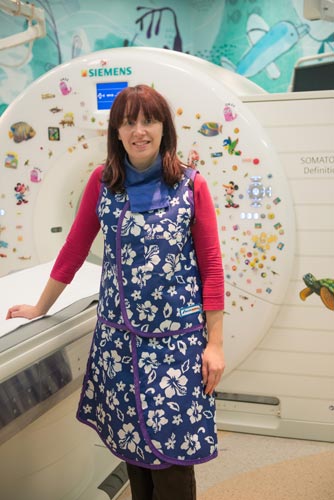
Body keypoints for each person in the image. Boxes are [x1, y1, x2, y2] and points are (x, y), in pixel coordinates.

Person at [6, 84, 225, 500]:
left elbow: (212, 267)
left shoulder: (191, 186)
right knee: (134, 446)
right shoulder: (104, 182)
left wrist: (215, 344)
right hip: (119, 342)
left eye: (148, 120)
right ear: (117, 132)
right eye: (128, 122)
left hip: (176, 342)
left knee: (174, 455)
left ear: (164, 128)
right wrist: (40, 307)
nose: (139, 131)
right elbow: (73, 251)